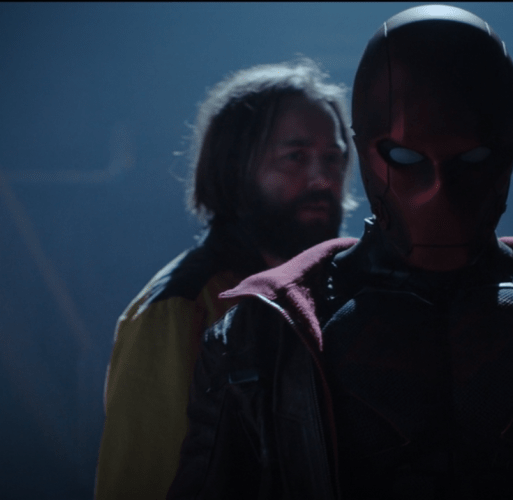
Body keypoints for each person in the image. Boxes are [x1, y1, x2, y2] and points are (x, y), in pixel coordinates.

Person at [168, 5, 513, 499]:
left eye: (471, 158)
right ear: (367, 148)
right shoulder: (261, 335)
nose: (440, 187)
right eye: (407, 156)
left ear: (506, 151)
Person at [94, 58, 357, 500]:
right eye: (295, 157)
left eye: (332, 158)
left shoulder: (343, 291)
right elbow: (144, 483)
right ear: (236, 166)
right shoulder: (179, 309)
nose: (322, 179)